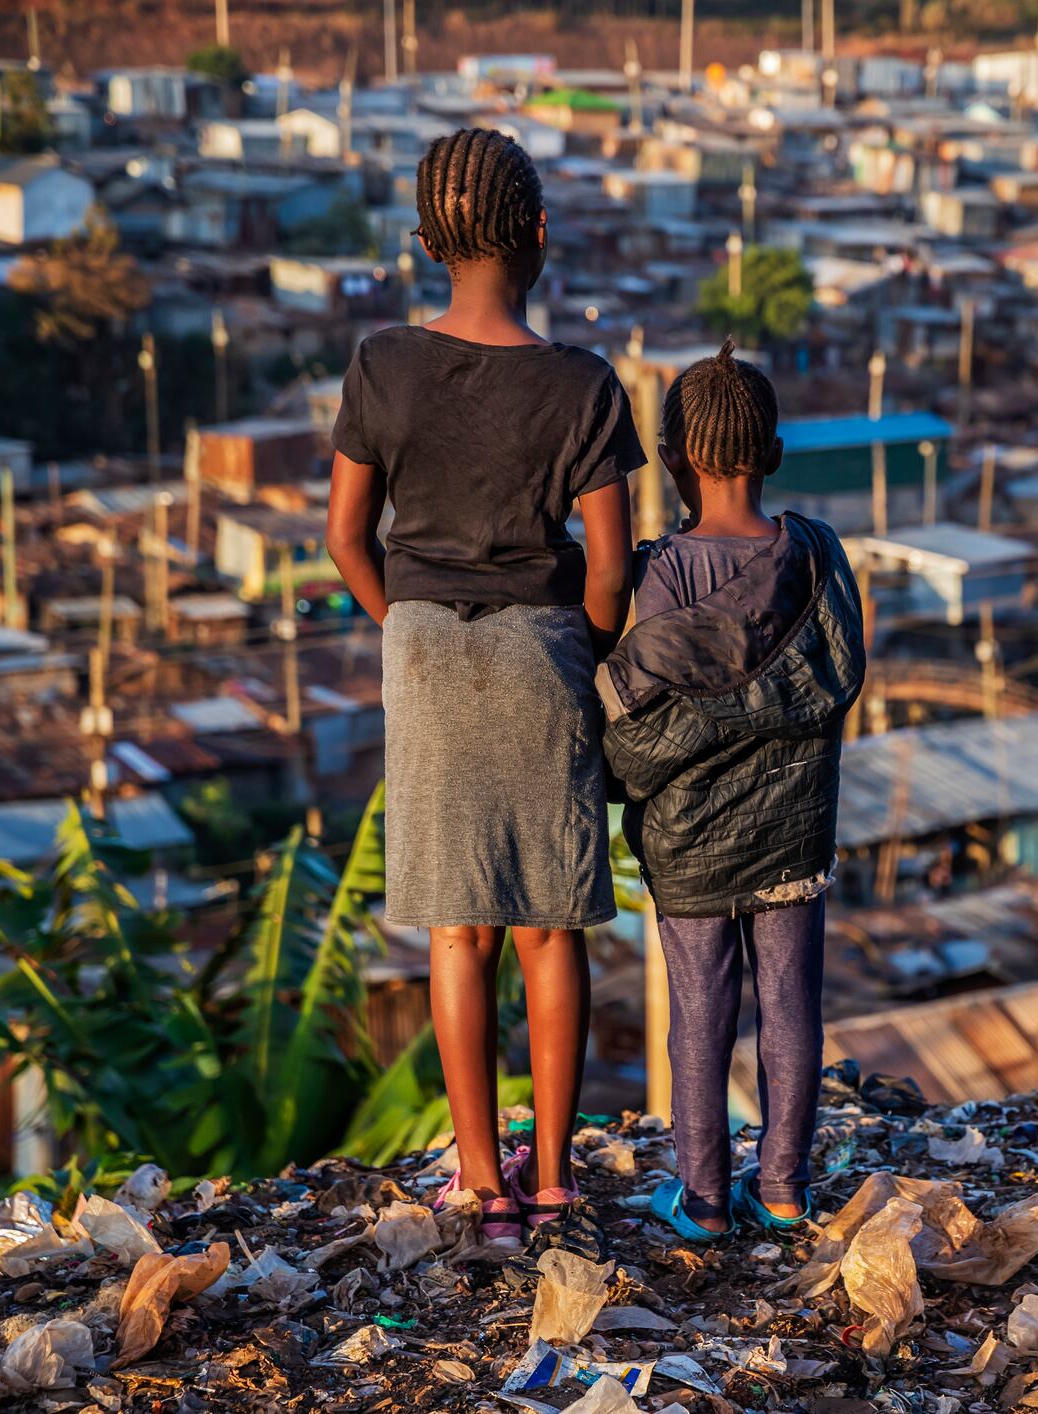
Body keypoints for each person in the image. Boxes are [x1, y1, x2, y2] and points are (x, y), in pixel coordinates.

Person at [325, 129, 643, 1246]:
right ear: (539, 238)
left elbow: (347, 538)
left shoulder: (382, 364)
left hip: (423, 653)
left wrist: (408, 629)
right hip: (544, 650)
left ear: (426, 245)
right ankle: (553, 1178)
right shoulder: (582, 386)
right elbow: (609, 566)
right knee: (552, 930)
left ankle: (480, 1183)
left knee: (458, 933)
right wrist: (585, 650)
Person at [598, 342, 865, 1239]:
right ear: (775, 453)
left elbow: (655, 705)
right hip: (794, 826)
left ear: (674, 458)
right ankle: (784, 1186)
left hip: (688, 836)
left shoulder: (665, 570)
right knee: (790, 1003)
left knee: (698, 1014)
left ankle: (704, 1198)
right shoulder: (818, 556)